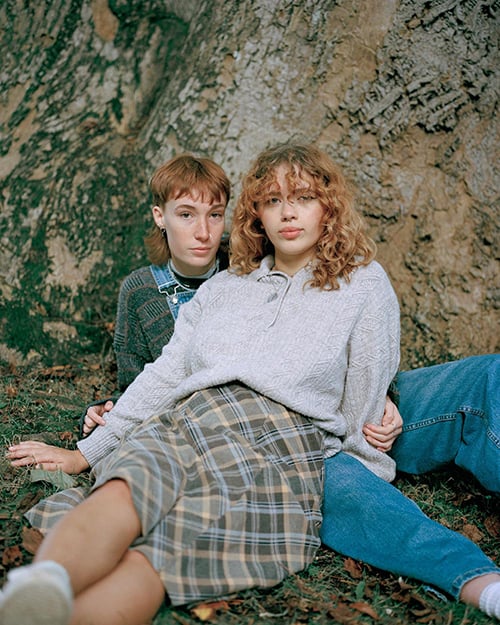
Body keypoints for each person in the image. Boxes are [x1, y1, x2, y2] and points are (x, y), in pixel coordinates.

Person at [0, 143, 402, 625]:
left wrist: (363, 468)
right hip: (192, 416)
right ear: (256, 214)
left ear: (329, 207)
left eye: (303, 197)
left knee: (168, 551)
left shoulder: (363, 284)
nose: (288, 213)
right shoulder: (226, 286)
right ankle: (42, 589)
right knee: (128, 484)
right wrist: (89, 452)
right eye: (272, 200)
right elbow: (166, 372)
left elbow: (367, 380)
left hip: (278, 440)